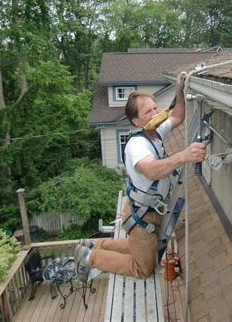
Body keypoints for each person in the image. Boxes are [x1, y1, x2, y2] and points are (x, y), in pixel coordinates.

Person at [74, 71, 209, 282]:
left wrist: (179, 91)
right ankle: (91, 257)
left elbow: (177, 116)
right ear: (136, 122)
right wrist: (184, 155)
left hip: (149, 210)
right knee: (142, 268)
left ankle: (95, 245)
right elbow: (151, 169)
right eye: (148, 112)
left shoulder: (155, 132)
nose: (155, 113)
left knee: (139, 248)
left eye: (155, 108)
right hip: (143, 215)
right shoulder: (137, 145)